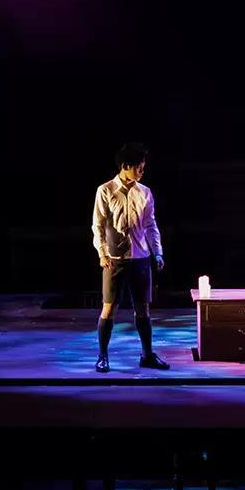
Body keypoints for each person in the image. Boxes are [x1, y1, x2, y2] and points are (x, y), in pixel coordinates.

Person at [91, 141, 168, 372]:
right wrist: (102, 253)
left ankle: (147, 355)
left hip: (140, 257)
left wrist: (157, 252)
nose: (142, 171)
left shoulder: (145, 192)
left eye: (143, 167)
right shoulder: (105, 190)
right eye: (138, 167)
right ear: (125, 166)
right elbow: (98, 225)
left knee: (143, 309)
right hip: (114, 260)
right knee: (108, 308)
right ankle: (102, 356)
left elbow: (151, 225)